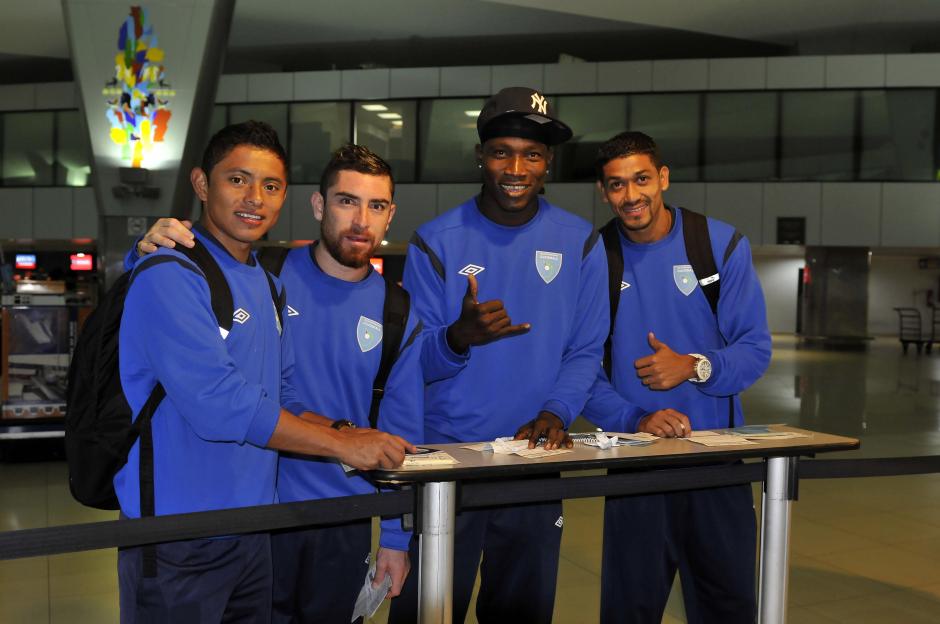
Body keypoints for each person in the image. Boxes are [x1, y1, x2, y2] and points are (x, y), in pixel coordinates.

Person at [130, 144, 467, 623]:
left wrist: (394, 539)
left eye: (376, 206)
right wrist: (142, 248)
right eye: (347, 201)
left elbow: (399, 430)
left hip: (341, 520)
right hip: (260, 515)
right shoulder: (262, 274)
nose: (360, 221)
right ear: (318, 205)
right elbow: (178, 286)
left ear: (390, 215)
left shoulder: (398, 312)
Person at [388, 87, 609, 624]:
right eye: (502, 151)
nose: (516, 167)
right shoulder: (435, 242)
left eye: (532, 154)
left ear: (548, 163)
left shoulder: (580, 242)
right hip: (446, 465)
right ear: (480, 156)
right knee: (428, 613)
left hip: (533, 464)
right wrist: (457, 338)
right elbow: (409, 366)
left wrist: (556, 413)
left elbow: (584, 350)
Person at [582, 131, 771, 624]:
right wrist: (635, 417)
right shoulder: (593, 259)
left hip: (718, 466)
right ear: (605, 192)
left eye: (641, 179)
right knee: (629, 608)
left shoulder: (718, 244)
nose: (631, 195)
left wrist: (695, 365)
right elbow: (580, 368)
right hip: (636, 472)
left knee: (727, 605)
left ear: (662, 178)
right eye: (617, 185)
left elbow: (754, 349)